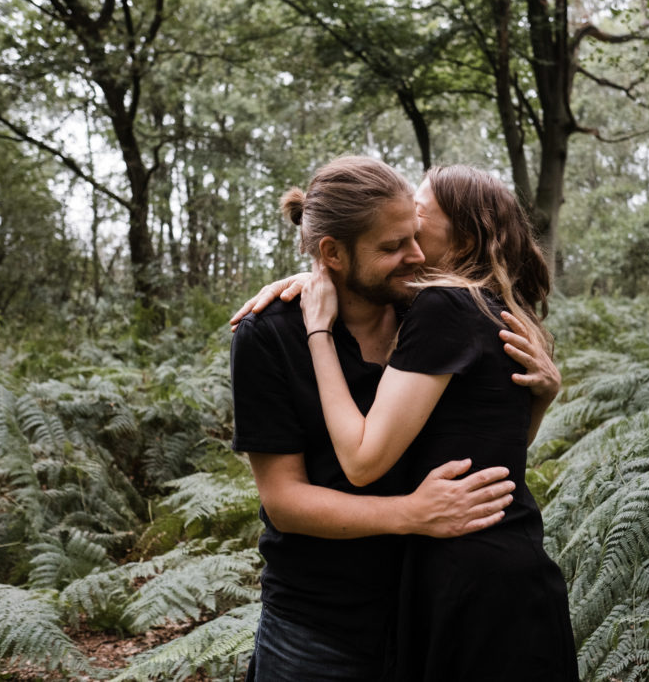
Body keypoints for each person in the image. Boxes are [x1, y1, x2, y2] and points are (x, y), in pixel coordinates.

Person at [230, 157, 528, 681]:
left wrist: (539, 396)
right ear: (333, 254)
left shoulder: (428, 313)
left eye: (414, 236)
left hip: (426, 613)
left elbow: (477, 449)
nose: (415, 256)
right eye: (392, 248)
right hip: (319, 625)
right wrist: (411, 514)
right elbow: (284, 501)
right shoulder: (268, 335)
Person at [299, 164, 577, 681]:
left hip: (471, 583)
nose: (408, 217)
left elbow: (362, 462)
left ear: (465, 235)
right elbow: (490, 444)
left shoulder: (444, 306)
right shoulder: (487, 307)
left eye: (421, 212)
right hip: (506, 569)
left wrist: (318, 333)